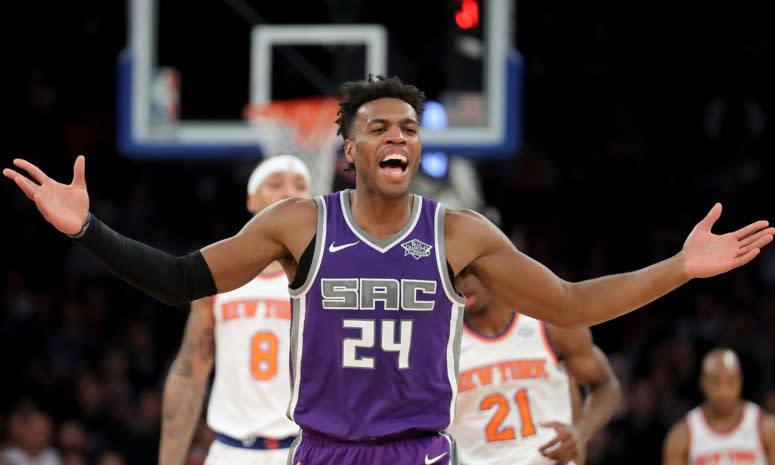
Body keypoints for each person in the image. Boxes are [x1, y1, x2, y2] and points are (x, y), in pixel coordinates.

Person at [4, 74, 774, 465]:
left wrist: (679, 265)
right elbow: (178, 279)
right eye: (378, 126)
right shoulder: (299, 221)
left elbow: (569, 304)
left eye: (408, 125)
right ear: (349, 150)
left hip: (418, 449)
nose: (397, 134)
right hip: (323, 447)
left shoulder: (458, 234)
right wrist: (89, 229)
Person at [159, 155, 311, 465]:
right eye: (276, 183)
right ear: (251, 200)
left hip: (308, 449)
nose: (289, 193)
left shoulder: (330, 277)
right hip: (232, 451)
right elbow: (190, 372)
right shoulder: (220, 273)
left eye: (300, 186)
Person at [449, 273, 620, 465]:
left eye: (471, 273)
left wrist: (581, 431)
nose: (465, 283)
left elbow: (606, 384)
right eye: (456, 274)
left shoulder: (548, 325)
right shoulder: (441, 346)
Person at [662, 348, 775, 465]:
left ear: (740, 381)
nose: (723, 391)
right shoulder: (681, 436)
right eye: (715, 382)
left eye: (731, 381)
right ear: (703, 383)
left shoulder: (766, 428)